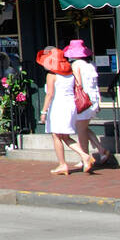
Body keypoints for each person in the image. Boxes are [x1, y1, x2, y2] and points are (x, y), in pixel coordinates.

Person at [37, 46, 95, 175]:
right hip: (70, 105)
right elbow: (78, 85)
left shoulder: (51, 75)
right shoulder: (71, 72)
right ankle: (84, 156)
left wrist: (43, 112)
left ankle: (63, 164)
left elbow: (50, 94)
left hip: (58, 105)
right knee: (64, 136)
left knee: (56, 136)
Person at [66, 39, 113, 167]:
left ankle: (85, 158)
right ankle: (101, 151)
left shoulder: (76, 65)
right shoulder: (90, 64)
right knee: (83, 127)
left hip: (83, 101)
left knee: (80, 130)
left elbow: (78, 84)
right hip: (92, 99)